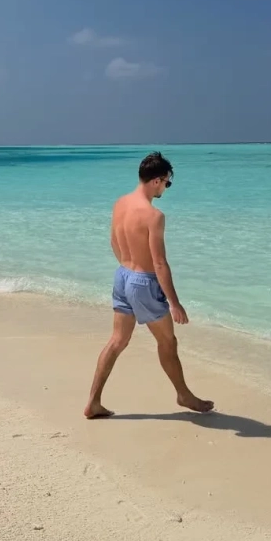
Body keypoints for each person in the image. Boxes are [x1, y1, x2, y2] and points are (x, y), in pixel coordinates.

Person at [84, 152, 214, 419]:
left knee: (117, 341)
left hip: (122, 276)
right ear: (157, 180)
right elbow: (159, 263)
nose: (166, 188)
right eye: (167, 183)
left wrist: (128, 272)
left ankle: (93, 402)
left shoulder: (120, 204)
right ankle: (183, 395)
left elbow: (113, 242)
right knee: (167, 341)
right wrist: (174, 303)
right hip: (144, 282)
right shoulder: (153, 216)